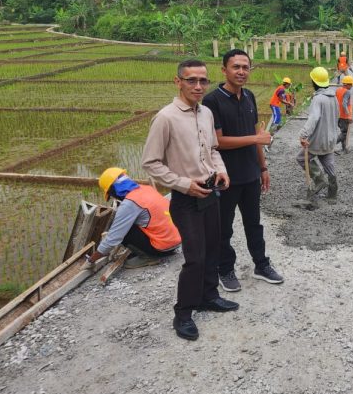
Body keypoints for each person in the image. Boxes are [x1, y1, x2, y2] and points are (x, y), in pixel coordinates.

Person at [142, 59, 237, 342]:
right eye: (191, 80)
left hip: (210, 193)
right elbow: (151, 162)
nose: (198, 86)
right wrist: (183, 184)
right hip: (185, 199)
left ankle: (209, 296)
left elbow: (213, 150)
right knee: (194, 258)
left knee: (212, 249)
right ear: (178, 82)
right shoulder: (166, 118)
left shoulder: (206, 113)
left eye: (202, 81)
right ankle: (183, 313)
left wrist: (221, 170)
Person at [202, 49, 284, 293]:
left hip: (250, 175)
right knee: (223, 228)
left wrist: (263, 167)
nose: (241, 71)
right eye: (236, 66)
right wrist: (256, 138)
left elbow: (256, 136)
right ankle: (225, 269)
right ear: (224, 69)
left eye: (245, 67)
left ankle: (261, 264)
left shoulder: (248, 96)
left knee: (254, 223)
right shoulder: (211, 101)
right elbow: (219, 141)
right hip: (225, 178)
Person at [87, 167, 182, 269]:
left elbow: (113, 238)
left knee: (124, 230)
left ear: (113, 190)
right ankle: (150, 249)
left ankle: (149, 257)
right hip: (179, 239)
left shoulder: (129, 204)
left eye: (111, 195)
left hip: (164, 248)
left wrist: (91, 260)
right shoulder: (147, 189)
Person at [297, 66, 339, 207]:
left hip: (318, 139)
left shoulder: (319, 99)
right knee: (329, 164)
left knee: (302, 158)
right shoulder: (334, 98)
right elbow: (336, 117)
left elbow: (313, 119)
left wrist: (303, 134)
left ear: (314, 82)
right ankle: (333, 193)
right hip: (331, 138)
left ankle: (319, 179)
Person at [335, 75, 353, 153]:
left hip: (338, 115)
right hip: (344, 116)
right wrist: (348, 116)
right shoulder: (347, 92)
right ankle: (332, 144)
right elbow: (344, 104)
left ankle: (344, 149)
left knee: (343, 132)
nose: (351, 86)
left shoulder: (338, 90)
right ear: (346, 84)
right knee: (344, 133)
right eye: (351, 84)